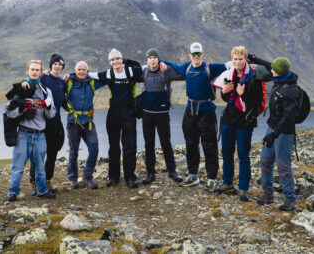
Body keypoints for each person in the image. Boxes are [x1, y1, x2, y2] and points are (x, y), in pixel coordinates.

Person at [162, 42, 226, 190]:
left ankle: (211, 178)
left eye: (198, 54)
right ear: (189, 54)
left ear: (202, 54)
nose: (196, 57)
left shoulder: (211, 68)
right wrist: (161, 62)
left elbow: (230, 66)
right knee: (191, 143)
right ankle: (192, 175)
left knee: (209, 145)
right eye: (193, 54)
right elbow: (173, 65)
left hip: (207, 112)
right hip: (190, 111)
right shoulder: (187, 67)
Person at [211, 46, 263, 201]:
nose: (238, 62)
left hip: (244, 121)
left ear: (245, 59)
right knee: (226, 152)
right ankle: (227, 183)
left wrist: (244, 94)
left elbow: (257, 100)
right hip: (229, 118)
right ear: (232, 60)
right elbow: (229, 99)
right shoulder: (229, 75)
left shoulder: (253, 76)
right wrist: (223, 92)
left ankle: (243, 187)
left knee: (243, 154)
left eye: (240, 59)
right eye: (235, 59)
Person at [89, 49, 143, 188]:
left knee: (130, 146)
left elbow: (149, 67)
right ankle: (113, 177)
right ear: (110, 62)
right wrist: (69, 75)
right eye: (112, 60)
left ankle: (130, 177)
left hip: (129, 114)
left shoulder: (132, 72)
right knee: (113, 146)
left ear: (122, 59)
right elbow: (88, 74)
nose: (115, 62)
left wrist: (162, 64)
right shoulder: (108, 74)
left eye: (117, 59)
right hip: (113, 114)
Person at [6, 60, 56, 201]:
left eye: (37, 70)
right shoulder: (19, 89)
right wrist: (21, 109)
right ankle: (13, 192)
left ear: (41, 72)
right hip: (23, 134)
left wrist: (47, 107)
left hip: (40, 135)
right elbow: (9, 112)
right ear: (27, 71)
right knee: (18, 167)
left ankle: (42, 191)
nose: (34, 72)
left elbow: (51, 115)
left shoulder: (47, 91)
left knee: (40, 168)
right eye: (32, 69)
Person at [257, 57, 299, 211]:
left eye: (274, 70)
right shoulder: (280, 78)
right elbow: (271, 66)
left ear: (280, 72)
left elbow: (288, 117)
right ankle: (268, 194)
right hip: (272, 128)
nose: (271, 71)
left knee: (283, 165)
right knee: (265, 160)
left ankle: (290, 200)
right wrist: (255, 58)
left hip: (284, 132)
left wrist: (273, 134)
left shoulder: (290, 90)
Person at [140, 48, 183, 184]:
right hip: (147, 115)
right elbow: (129, 69)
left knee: (166, 144)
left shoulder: (166, 71)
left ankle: (172, 171)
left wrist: (165, 63)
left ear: (158, 59)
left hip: (162, 114)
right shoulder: (144, 72)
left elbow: (181, 72)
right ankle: (150, 173)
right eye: (150, 57)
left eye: (155, 57)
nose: (152, 59)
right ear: (147, 60)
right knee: (149, 145)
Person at [28, 54, 66, 195]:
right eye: (55, 64)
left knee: (52, 154)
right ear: (50, 66)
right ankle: (33, 182)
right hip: (41, 122)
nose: (57, 67)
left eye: (60, 65)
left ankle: (48, 180)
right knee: (38, 153)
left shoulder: (62, 82)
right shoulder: (43, 77)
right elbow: (30, 80)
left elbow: (65, 101)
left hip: (56, 122)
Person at [65, 61, 105, 189]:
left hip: (88, 123)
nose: (81, 72)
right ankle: (73, 179)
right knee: (73, 151)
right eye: (79, 69)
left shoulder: (92, 83)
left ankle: (87, 178)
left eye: (84, 70)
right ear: (75, 70)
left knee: (94, 148)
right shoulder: (68, 83)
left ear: (88, 71)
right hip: (73, 122)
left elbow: (107, 78)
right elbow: (54, 85)